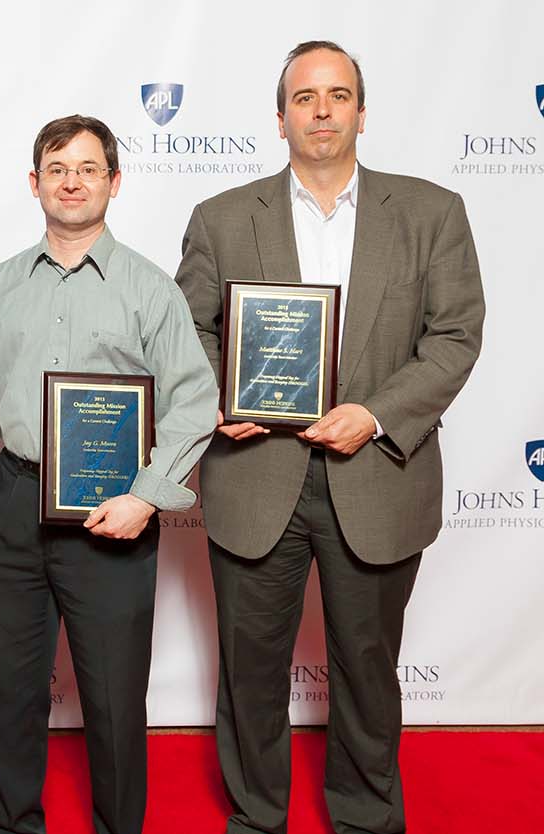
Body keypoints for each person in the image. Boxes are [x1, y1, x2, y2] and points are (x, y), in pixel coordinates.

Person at [175, 41, 485, 834]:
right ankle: (255, 819)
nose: (321, 110)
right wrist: (218, 398)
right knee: (249, 675)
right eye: (305, 97)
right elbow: (188, 335)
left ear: (361, 112)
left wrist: (375, 414)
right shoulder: (220, 218)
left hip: (378, 472)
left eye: (338, 95)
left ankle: (366, 821)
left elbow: (454, 335)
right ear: (280, 118)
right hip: (255, 475)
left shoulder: (431, 212)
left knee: (368, 673)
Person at [0, 115, 216, 834]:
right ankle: (12, 825)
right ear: (35, 184)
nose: (72, 181)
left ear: (114, 184)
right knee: (9, 691)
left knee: (115, 697)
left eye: (89, 169)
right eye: (57, 168)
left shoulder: (152, 289)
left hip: (112, 512)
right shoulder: (1, 286)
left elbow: (195, 403)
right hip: (13, 498)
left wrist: (147, 499)